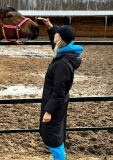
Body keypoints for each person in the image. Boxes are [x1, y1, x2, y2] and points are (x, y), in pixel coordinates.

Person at [38, 18, 83, 160]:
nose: (55, 35)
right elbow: (56, 45)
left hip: (55, 105)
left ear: (60, 38)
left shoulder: (63, 63)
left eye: (57, 34)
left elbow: (59, 90)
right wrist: (50, 27)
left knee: (53, 138)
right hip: (56, 103)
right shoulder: (64, 53)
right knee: (55, 136)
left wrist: (49, 111)